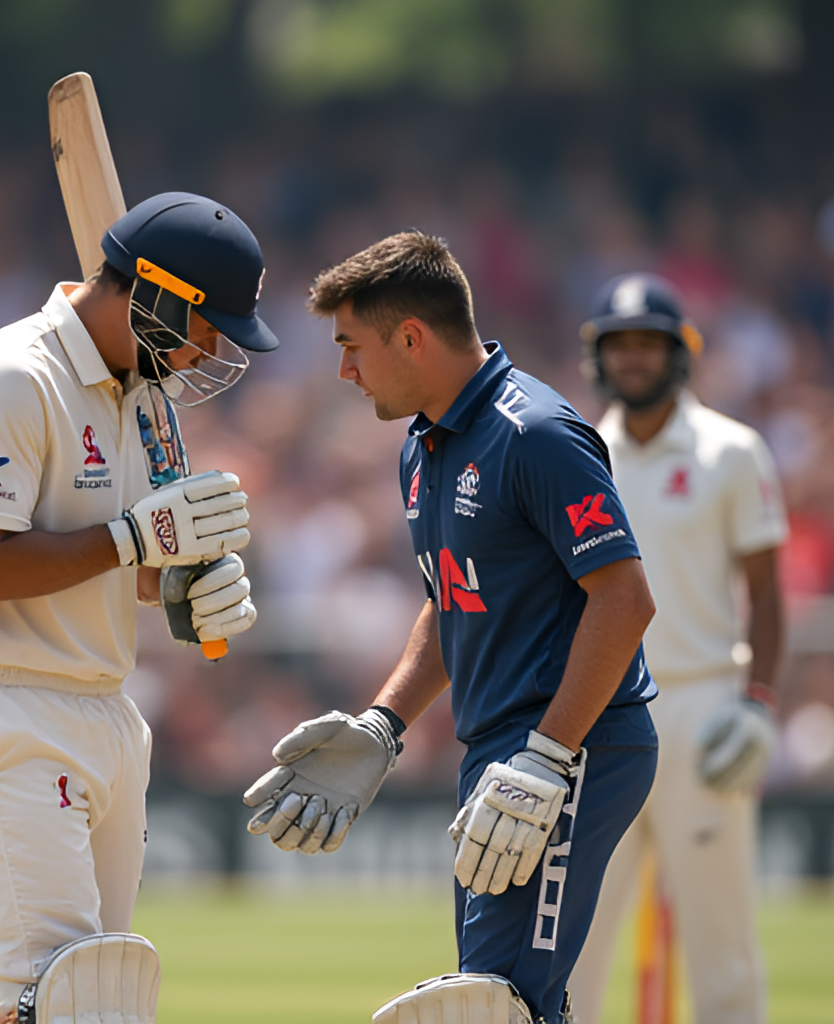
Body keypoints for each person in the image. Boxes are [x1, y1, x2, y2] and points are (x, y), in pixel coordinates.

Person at [243, 232, 659, 1024]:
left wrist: (547, 757)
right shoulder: (421, 448)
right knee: (496, 1001)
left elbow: (625, 599)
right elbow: (454, 601)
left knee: (501, 1005)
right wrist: (383, 725)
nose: (344, 369)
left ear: (411, 337)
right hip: (503, 756)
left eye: (351, 345)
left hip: (572, 746)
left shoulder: (535, 431)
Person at [0, 192, 277, 1024]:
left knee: (96, 998)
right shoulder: (13, 377)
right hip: (4, 709)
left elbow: (129, 558)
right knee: (61, 998)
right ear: (153, 291)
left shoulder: (137, 392)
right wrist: (134, 542)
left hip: (104, 710)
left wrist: (185, 587)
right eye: (206, 324)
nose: (208, 350)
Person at [566, 273, 787, 1024]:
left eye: (648, 344)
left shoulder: (732, 451)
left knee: (720, 944)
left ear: (680, 353)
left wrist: (756, 704)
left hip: (701, 707)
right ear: (598, 354)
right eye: (618, 345)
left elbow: (767, 591)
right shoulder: (579, 452)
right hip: (604, 708)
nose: (633, 359)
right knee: (575, 941)